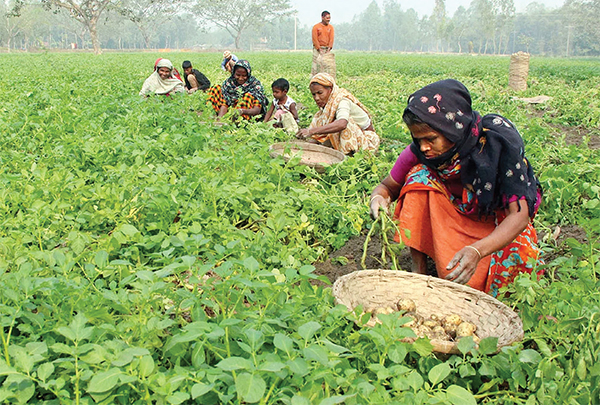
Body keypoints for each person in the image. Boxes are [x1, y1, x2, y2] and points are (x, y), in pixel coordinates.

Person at [369, 79, 543, 297]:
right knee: (417, 179)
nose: (424, 147)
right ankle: (419, 274)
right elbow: (387, 186)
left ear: (452, 128)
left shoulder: (497, 144)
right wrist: (379, 197)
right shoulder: (420, 151)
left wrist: (477, 250)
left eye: (431, 138)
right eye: (418, 138)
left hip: (495, 227)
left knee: (510, 279)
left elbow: (519, 215)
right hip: (453, 220)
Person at [296, 73, 380, 155]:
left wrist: (311, 131)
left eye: (320, 93)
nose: (316, 98)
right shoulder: (327, 107)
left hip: (367, 142)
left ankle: (349, 156)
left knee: (341, 123)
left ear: (330, 90)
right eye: (314, 94)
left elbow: (342, 124)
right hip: (358, 138)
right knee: (326, 122)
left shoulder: (342, 101)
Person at [311, 11, 335, 78]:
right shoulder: (316, 27)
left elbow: (331, 38)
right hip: (318, 49)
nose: (328, 19)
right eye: (327, 18)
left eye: (329, 18)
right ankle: (315, 79)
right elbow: (315, 39)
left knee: (327, 66)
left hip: (327, 49)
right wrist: (319, 49)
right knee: (316, 66)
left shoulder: (331, 27)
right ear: (322, 17)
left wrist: (329, 48)